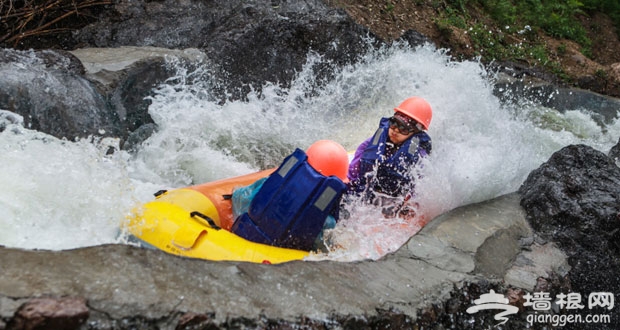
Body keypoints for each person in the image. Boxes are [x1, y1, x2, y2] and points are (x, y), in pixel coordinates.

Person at [230, 140, 349, 251]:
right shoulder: (327, 222)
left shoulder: (269, 184)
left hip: (245, 239)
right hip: (283, 258)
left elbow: (238, 198)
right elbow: (325, 249)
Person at [346, 96, 432, 217]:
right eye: (394, 123)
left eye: (403, 128)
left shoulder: (419, 158)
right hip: (369, 194)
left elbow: (419, 187)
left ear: (416, 132)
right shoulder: (372, 143)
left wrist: (410, 207)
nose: (395, 130)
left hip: (395, 201)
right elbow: (354, 172)